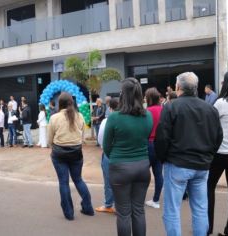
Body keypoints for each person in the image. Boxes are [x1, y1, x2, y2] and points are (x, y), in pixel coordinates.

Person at [155, 72, 223, 236]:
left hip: (177, 164)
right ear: (196, 88)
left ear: (178, 88)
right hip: (201, 165)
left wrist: (163, 159)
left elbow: (162, 138)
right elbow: (218, 136)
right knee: (200, 209)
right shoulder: (210, 109)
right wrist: (209, 156)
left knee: (172, 210)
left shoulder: (171, 107)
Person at [103, 78, 153, 236]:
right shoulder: (148, 116)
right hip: (143, 166)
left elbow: (106, 146)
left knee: (124, 213)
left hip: (120, 168)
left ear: (122, 94)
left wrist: (117, 159)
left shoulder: (114, 117)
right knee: (138, 210)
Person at [48, 92, 94, 220]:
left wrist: (55, 146)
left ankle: (69, 213)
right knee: (78, 180)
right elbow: (82, 137)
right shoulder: (79, 116)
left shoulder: (54, 117)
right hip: (76, 152)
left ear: (60, 103)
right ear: (72, 102)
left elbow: (49, 139)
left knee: (63, 182)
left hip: (59, 153)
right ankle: (88, 208)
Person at [207, 70, 228, 236]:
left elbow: (209, 127)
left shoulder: (220, 103)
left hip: (221, 153)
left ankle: (206, 227)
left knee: (208, 187)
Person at [96, 98, 118, 214]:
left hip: (109, 153)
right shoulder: (127, 119)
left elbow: (100, 139)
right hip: (123, 154)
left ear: (110, 108)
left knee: (109, 181)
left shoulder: (106, 121)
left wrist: (104, 147)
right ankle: (119, 205)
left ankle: (109, 204)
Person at [144, 88, 164, 209]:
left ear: (149, 98)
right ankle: (156, 200)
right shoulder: (164, 110)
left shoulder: (147, 111)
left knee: (144, 174)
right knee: (158, 173)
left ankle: (139, 199)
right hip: (161, 144)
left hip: (148, 143)